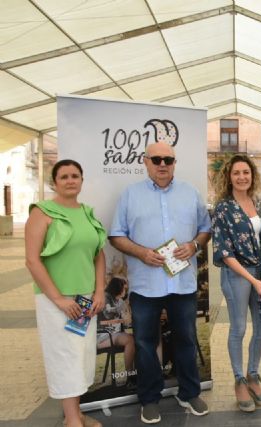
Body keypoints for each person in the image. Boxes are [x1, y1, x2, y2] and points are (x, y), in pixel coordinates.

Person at [109, 142, 211, 424]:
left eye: (168, 159)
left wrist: (193, 245)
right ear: (146, 161)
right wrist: (141, 252)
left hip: (182, 284)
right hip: (146, 285)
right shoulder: (130, 195)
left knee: (187, 340)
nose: (162, 164)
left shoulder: (191, 193)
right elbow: (115, 235)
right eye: (156, 159)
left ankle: (189, 393)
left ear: (175, 162)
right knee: (144, 343)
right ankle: (149, 399)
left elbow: (205, 230)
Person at [25, 159, 106, 427]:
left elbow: (98, 254)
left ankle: (78, 413)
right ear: (55, 182)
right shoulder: (42, 212)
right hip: (56, 301)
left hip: (85, 300)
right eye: (64, 177)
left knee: (81, 356)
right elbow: (32, 261)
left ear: (82, 180)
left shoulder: (87, 213)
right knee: (63, 357)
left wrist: (99, 292)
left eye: (75, 176)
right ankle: (72, 420)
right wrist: (58, 299)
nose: (70, 180)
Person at [211, 154, 261, 413]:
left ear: (252, 175)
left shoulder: (255, 202)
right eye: (236, 173)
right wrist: (252, 280)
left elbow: (256, 235)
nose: (242, 177)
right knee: (238, 328)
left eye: (246, 172)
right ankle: (238, 380)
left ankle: (253, 376)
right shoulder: (223, 208)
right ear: (229, 176)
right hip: (237, 274)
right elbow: (224, 252)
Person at [97, 277, 135, 385]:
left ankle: (135, 374)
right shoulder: (106, 296)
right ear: (117, 287)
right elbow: (108, 313)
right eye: (124, 288)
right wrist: (122, 310)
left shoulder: (120, 300)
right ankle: (130, 375)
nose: (125, 291)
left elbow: (126, 320)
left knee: (138, 338)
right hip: (102, 335)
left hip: (115, 334)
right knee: (130, 340)